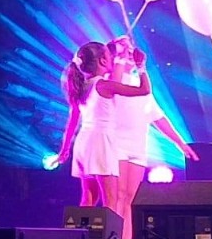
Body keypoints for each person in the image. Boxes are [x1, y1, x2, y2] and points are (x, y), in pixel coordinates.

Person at [108, 36, 199, 239]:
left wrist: (180, 143)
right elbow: (116, 86)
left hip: (137, 147)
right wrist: (120, 56)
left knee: (131, 197)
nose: (130, 54)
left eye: (131, 50)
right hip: (116, 144)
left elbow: (158, 118)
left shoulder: (141, 84)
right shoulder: (111, 80)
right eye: (125, 51)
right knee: (118, 194)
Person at [57, 41, 152, 210]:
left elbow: (72, 122)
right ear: (102, 61)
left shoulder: (81, 87)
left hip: (83, 143)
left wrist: (65, 149)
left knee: (88, 199)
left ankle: (81, 228)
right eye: (110, 56)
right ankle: (108, 230)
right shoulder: (103, 85)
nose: (113, 59)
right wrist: (141, 66)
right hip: (100, 142)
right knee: (111, 201)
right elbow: (144, 90)